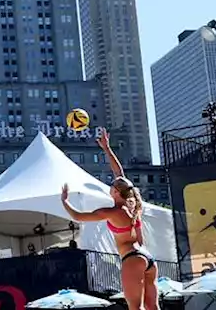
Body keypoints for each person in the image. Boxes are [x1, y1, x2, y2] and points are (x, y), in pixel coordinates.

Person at [60, 129, 158, 310]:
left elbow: (77, 216)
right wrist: (106, 148)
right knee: (153, 307)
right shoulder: (132, 206)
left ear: (115, 192)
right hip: (148, 258)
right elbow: (119, 173)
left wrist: (65, 201)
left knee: (135, 308)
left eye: (112, 185)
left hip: (132, 258)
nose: (110, 185)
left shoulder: (112, 212)